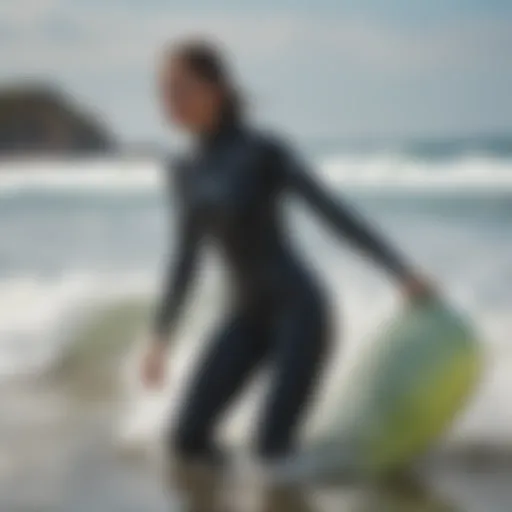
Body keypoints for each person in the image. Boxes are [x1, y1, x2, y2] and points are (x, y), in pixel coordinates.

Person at [141, 39, 431, 468]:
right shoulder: (182, 171)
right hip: (245, 317)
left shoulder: (263, 152)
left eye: (181, 88)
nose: (170, 101)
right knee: (186, 440)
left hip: (300, 314)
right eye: (164, 91)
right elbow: (185, 259)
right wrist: (162, 335)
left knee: (270, 450)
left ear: (217, 89)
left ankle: (315, 481)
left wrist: (399, 270)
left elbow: (332, 213)